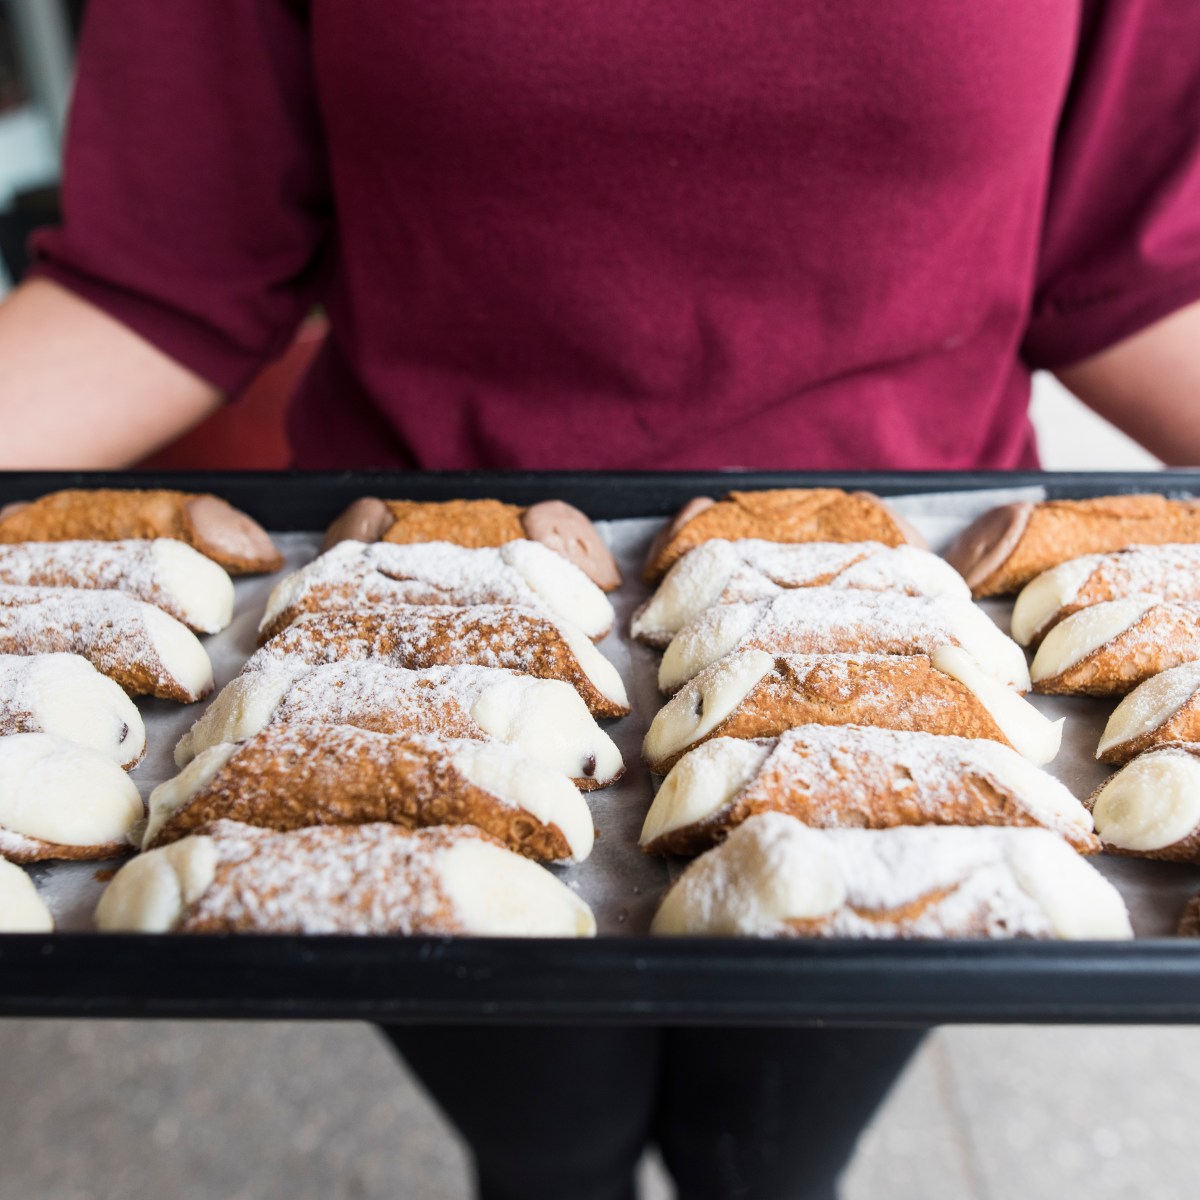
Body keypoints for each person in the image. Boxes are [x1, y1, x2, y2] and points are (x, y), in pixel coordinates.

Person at [0, 3, 1198, 1198]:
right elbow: (160, 278)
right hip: (400, 562)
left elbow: (1134, 276)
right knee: (546, 1143)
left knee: (773, 1152)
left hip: (931, 608)